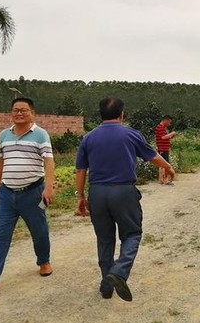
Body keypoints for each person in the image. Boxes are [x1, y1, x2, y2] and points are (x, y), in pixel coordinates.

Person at [75, 97, 176, 301]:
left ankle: (106, 287)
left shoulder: (88, 138)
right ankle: (119, 272)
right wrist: (168, 167)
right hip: (123, 192)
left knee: (105, 239)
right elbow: (152, 156)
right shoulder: (131, 134)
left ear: (101, 114)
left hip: (97, 193)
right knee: (132, 234)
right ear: (122, 114)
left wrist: (81, 196)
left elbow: (80, 170)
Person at [0, 97, 55, 294]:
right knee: (0, 236)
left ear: (32, 113)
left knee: (39, 231)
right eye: (15, 110)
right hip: (7, 194)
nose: (19, 113)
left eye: (23, 110)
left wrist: (49, 187)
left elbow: (49, 161)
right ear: (11, 113)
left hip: (33, 193)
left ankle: (44, 261)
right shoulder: (4, 135)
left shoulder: (40, 134)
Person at [155, 115, 176, 185]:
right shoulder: (160, 127)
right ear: (165, 120)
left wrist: (171, 136)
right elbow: (163, 137)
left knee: (162, 165)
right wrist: (172, 133)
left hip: (164, 148)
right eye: (169, 122)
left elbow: (165, 137)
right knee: (165, 165)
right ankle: (165, 180)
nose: (169, 124)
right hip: (162, 149)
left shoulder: (162, 128)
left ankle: (161, 180)